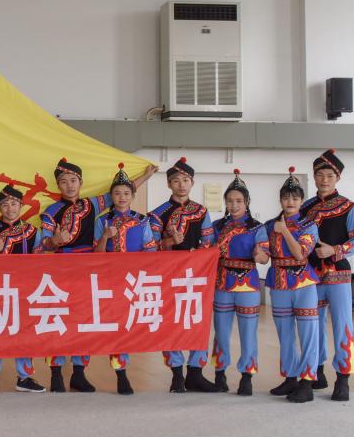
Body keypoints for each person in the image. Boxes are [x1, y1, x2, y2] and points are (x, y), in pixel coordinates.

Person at [41, 157, 156, 393]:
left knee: (85, 321)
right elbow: (41, 245)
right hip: (61, 269)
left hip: (89, 270)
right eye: (64, 181)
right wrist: (55, 240)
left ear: (80, 182)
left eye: (73, 180)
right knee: (59, 319)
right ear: (58, 185)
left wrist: (146, 175)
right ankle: (55, 373)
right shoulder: (51, 211)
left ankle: (79, 373)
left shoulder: (92, 204)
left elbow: (123, 192)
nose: (69, 185)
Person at [149, 157, 217, 393]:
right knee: (171, 322)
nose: (181, 185)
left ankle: (196, 372)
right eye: (176, 181)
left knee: (198, 320)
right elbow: (149, 248)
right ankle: (176, 373)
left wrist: (200, 252)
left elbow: (209, 242)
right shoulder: (157, 214)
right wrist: (168, 241)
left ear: (192, 183)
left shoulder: (201, 211)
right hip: (168, 276)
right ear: (169, 184)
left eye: (185, 180)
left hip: (197, 276)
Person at [300, 149, 354, 401]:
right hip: (312, 276)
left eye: (329, 175)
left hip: (338, 276)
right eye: (320, 175)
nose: (324, 180)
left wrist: (334, 250)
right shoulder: (305, 208)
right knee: (312, 325)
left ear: (337, 178)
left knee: (342, 325)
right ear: (314, 177)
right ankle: (316, 371)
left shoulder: (350, 207)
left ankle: (343, 378)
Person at [253, 167, 320, 404]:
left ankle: (307, 382)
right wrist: (258, 254)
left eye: (295, 198)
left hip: (304, 284)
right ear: (280, 199)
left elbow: (301, 253)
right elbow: (264, 255)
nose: (290, 202)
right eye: (286, 197)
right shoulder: (268, 225)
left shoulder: (309, 225)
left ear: (301, 200)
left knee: (308, 334)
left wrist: (284, 232)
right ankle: (290, 377)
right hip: (279, 282)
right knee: (285, 334)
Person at [0, 185, 44, 395]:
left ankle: (25, 377)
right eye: (5, 204)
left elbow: (41, 261)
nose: (10, 208)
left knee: (24, 333)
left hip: (23, 290)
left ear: (21, 205)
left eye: (14, 204)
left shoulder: (32, 232)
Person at [93, 163, 158, 395]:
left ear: (133, 196)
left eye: (126, 193)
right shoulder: (102, 221)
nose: (122, 197)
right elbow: (96, 255)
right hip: (111, 281)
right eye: (118, 193)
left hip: (135, 281)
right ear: (111, 196)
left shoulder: (143, 221)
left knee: (133, 324)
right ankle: (120, 372)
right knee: (117, 327)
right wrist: (104, 237)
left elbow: (151, 251)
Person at [208, 169, 262, 396]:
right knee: (221, 332)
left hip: (248, 285)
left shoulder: (257, 227)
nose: (234, 204)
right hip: (222, 283)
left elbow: (264, 256)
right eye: (230, 200)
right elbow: (207, 251)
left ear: (247, 202)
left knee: (248, 333)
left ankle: (247, 376)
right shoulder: (217, 226)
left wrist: (260, 254)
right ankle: (219, 373)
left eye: (238, 200)